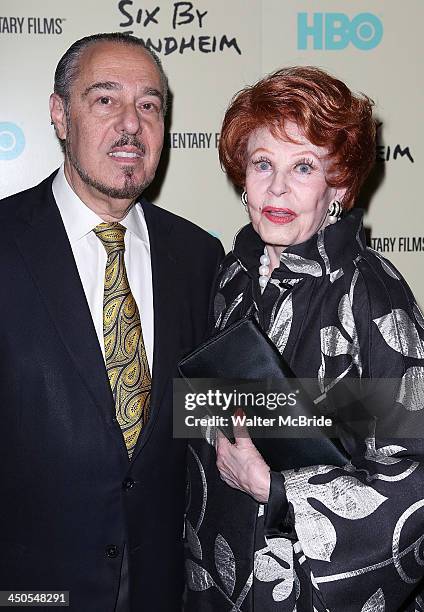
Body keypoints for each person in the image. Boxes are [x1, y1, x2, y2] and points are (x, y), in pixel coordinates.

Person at [184, 66, 424, 611]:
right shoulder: (232, 275)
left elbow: (415, 475)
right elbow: (211, 419)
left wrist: (280, 490)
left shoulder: (373, 295)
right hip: (219, 578)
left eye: (304, 167)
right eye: (262, 163)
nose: (277, 187)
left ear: (338, 185)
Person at [0, 32, 223, 611]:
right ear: (59, 114)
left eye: (149, 105)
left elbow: (215, 412)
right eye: (105, 100)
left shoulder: (201, 257)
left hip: (164, 591)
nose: (132, 125)